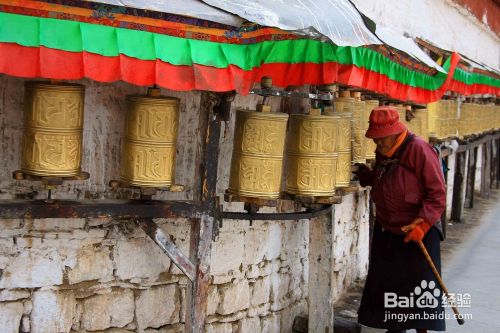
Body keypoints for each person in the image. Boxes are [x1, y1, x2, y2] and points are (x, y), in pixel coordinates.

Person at [355, 106, 446, 333]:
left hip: (417, 231)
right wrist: (368, 177)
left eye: (381, 139)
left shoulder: (419, 150)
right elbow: (385, 178)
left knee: (418, 289)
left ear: (395, 133)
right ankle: (395, 329)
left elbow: (437, 193)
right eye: (375, 140)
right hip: (389, 230)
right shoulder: (385, 152)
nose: (378, 144)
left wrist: (423, 224)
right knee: (391, 286)